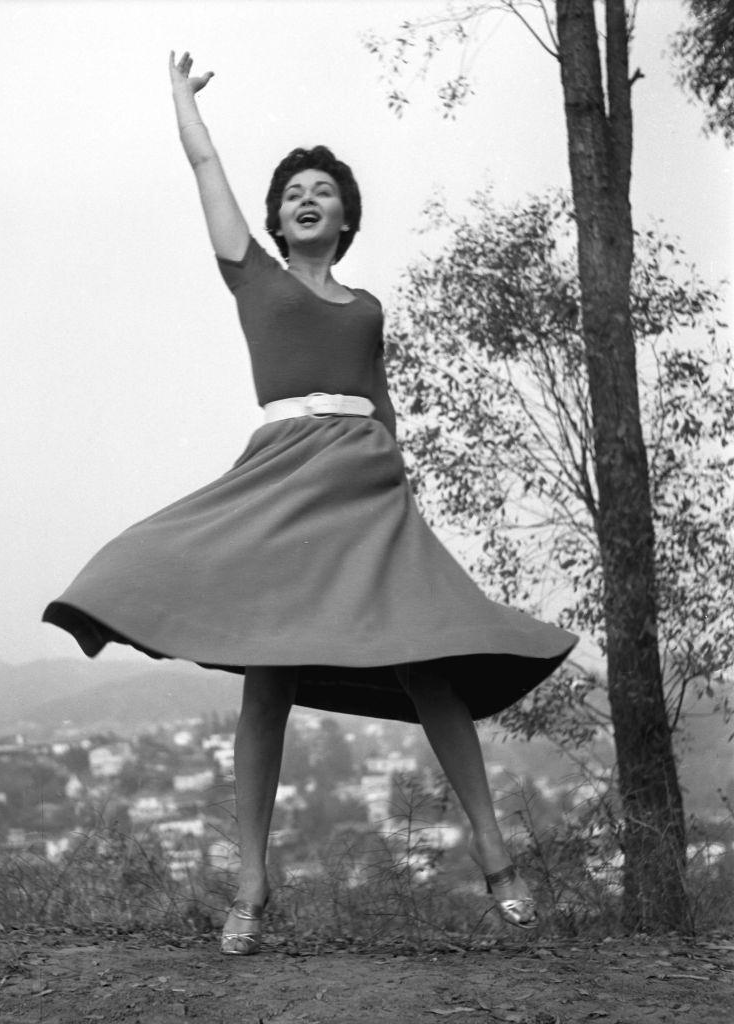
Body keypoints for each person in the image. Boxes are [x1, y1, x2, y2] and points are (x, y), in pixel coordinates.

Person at [43, 52, 578, 955]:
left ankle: (497, 861)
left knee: (428, 662)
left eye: (323, 189)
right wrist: (182, 104)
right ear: (277, 217)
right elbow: (206, 170)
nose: (306, 195)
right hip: (285, 480)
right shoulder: (253, 276)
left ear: (344, 217)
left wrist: (400, 488)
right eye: (294, 188)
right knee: (268, 673)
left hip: (367, 489)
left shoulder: (367, 304)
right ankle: (250, 889)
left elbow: (380, 398)